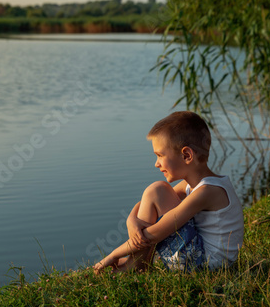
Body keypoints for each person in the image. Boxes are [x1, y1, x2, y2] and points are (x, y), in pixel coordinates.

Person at [94, 111, 244, 273]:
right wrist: (131, 220)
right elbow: (150, 200)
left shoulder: (207, 191)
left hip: (206, 267)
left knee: (158, 189)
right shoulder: (197, 184)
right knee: (156, 190)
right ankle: (138, 261)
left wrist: (114, 254)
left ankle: (136, 263)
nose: (156, 164)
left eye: (160, 155)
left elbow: (156, 233)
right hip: (202, 257)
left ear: (186, 155)